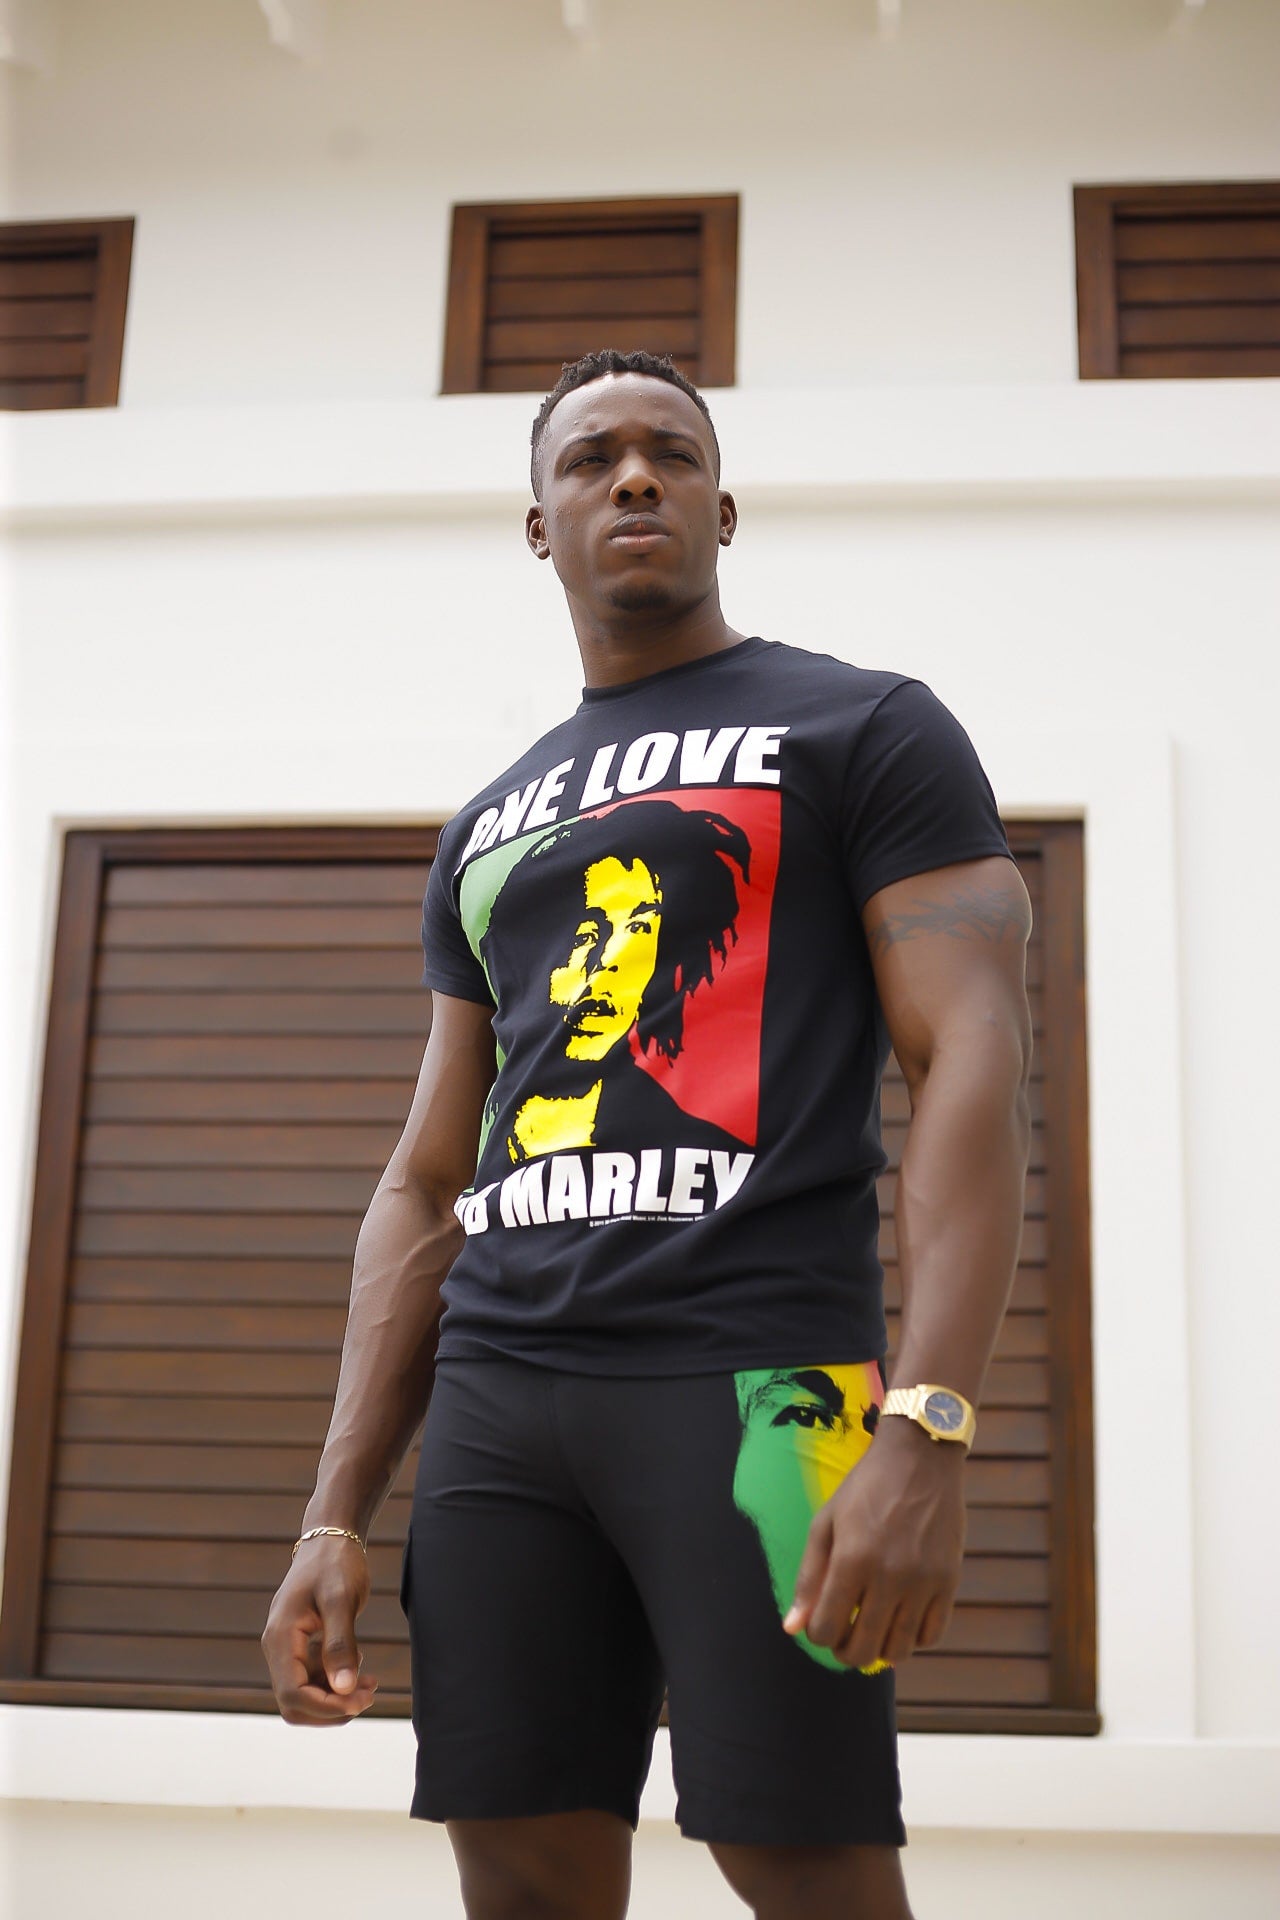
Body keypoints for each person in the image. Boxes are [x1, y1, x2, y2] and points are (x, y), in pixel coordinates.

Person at [262, 347, 1033, 1920]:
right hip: (500, 1407)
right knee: (525, 1872)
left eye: (669, 456)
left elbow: (969, 1058)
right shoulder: (490, 821)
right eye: (592, 458)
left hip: (770, 1390)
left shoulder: (864, 727)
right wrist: (335, 1508)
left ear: (722, 508)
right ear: (535, 525)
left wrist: (931, 1421)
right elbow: (425, 1178)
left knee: (802, 1860)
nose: (632, 479)